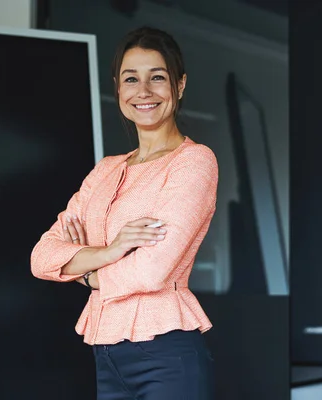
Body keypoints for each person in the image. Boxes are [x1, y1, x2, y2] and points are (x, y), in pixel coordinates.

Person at [31, 26, 217, 399]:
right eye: (131, 79)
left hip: (166, 354)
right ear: (118, 88)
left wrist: (85, 274)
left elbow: (152, 270)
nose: (143, 91)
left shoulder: (193, 162)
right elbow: (42, 257)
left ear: (179, 86)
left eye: (157, 78)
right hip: (106, 356)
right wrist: (111, 250)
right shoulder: (105, 170)